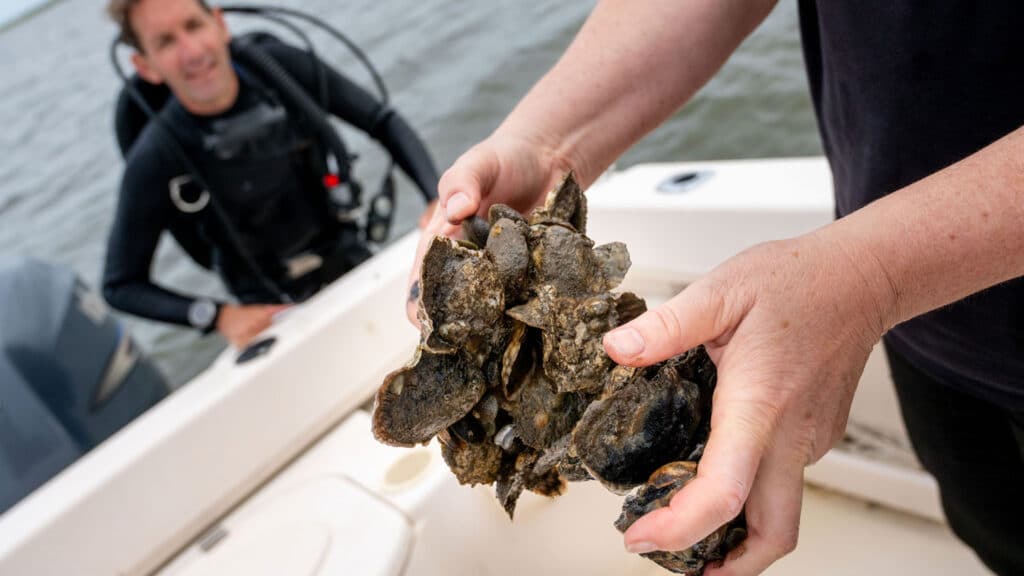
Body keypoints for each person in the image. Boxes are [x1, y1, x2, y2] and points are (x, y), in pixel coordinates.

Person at [411, 1, 1024, 574]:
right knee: (992, 528)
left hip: (906, 293)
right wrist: (549, 143)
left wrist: (872, 277)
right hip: (930, 335)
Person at [102, 0, 439, 348]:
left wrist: (434, 196)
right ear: (146, 66)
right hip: (266, 305)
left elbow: (382, 121)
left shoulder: (279, 68)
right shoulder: (156, 154)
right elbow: (120, 285)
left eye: (193, 25)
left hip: (347, 254)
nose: (190, 51)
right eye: (165, 42)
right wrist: (217, 315)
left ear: (219, 24)